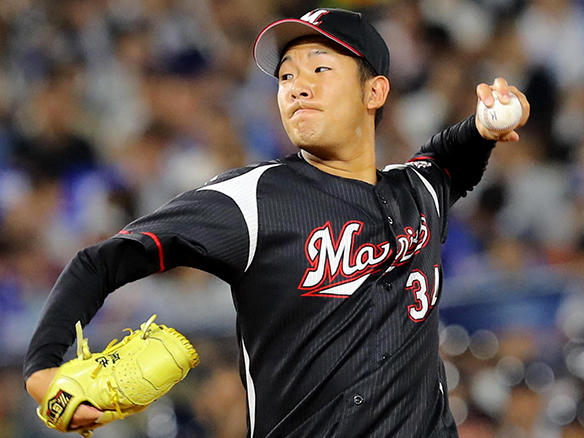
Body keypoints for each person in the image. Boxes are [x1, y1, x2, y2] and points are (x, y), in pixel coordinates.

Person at [24, 8, 530, 438]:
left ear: (374, 91)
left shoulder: (418, 192)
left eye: (320, 69)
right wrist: (42, 369)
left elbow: (447, 159)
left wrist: (484, 127)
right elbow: (99, 262)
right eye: (286, 77)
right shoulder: (251, 199)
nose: (297, 88)